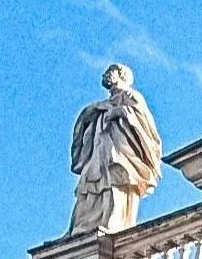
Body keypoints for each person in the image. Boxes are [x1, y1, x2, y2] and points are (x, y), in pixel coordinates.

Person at [67, 65, 164, 236]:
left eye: (110, 71)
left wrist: (119, 111)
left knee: (116, 180)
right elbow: (84, 122)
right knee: (91, 182)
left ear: (122, 75)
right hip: (100, 151)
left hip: (121, 151)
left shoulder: (130, 96)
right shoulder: (102, 105)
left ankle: (112, 221)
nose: (105, 75)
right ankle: (83, 225)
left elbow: (144, 122)